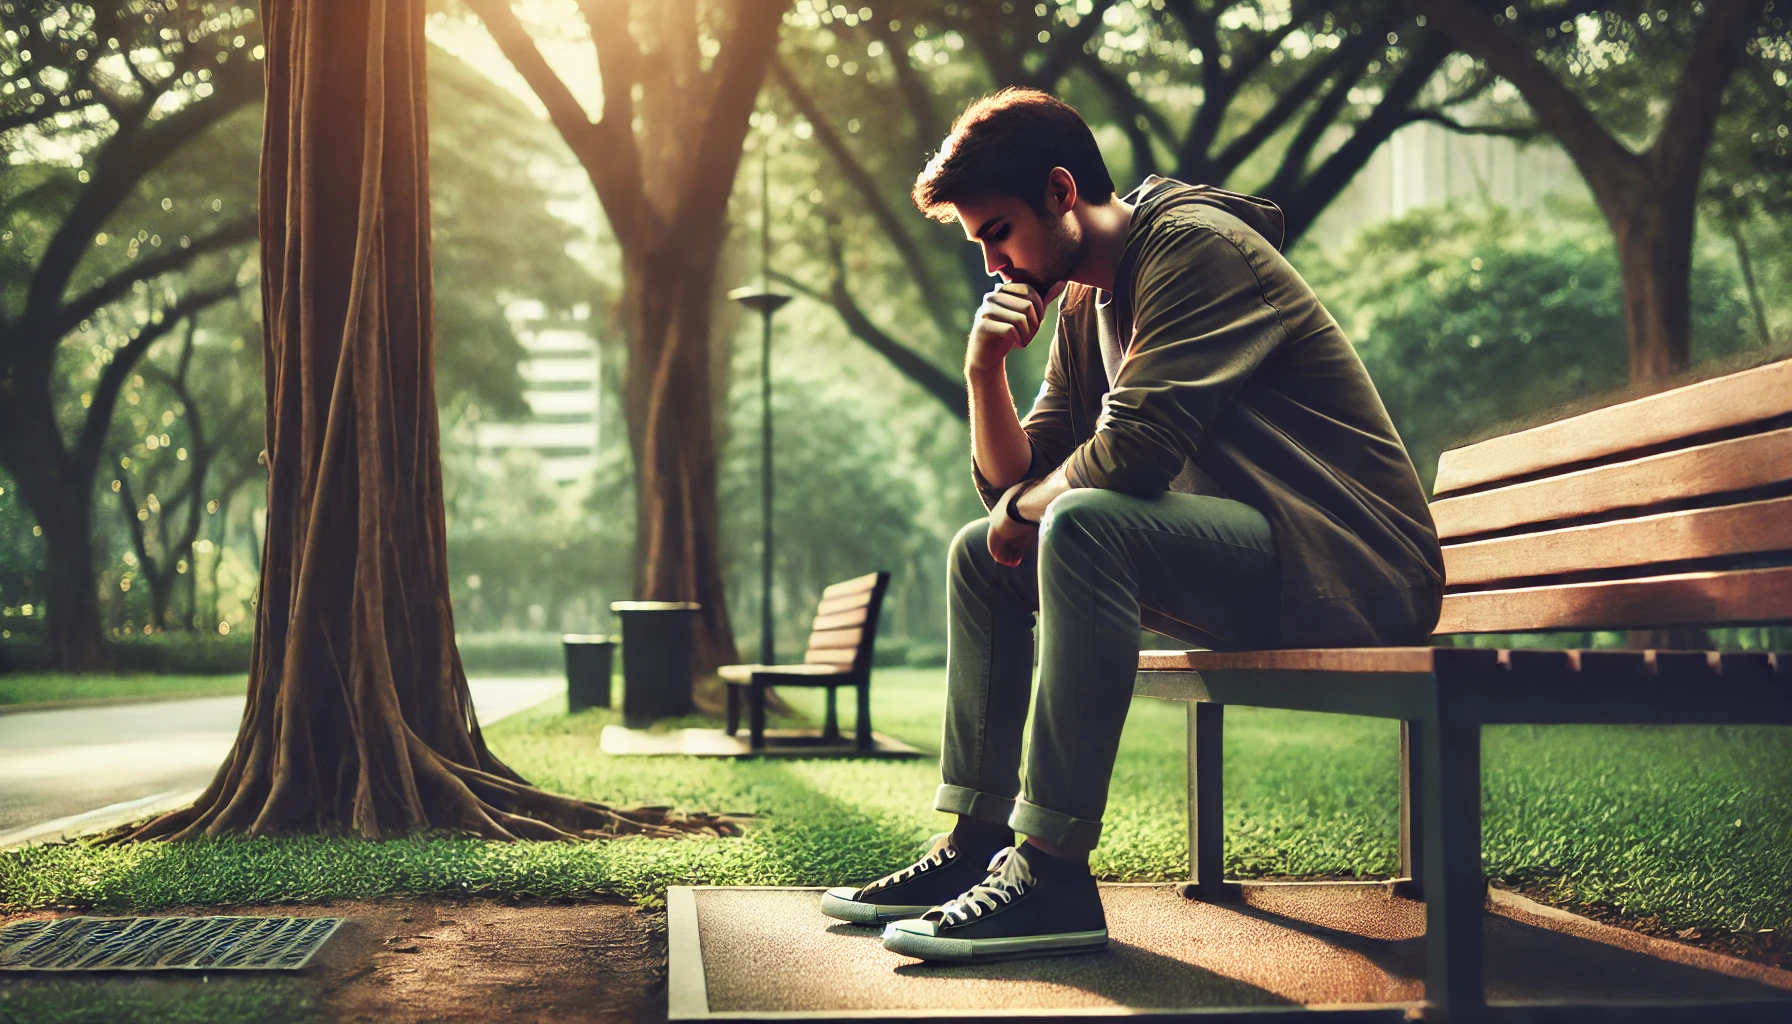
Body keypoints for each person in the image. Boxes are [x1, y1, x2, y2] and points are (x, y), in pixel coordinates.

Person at [820, 88, 1443, 964]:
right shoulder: (1083, 302)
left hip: (1354, 564)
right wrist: (983, 373)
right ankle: (971, 849)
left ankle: (1051, 872)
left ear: (1061, 191)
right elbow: (1018, 488)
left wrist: (1027, 509)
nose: (994, 264)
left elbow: (1131, 457)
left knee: (1084, 524)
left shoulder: (1196, 250)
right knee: (979, 555)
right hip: (1263, 565)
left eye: (998, 232)